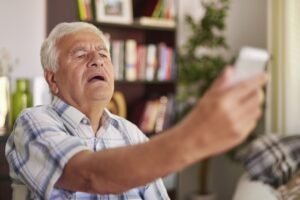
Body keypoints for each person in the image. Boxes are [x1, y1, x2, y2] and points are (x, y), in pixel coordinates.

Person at [5, 22, 267, 199]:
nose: (96, 60)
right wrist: (195, 135)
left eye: (103, 54)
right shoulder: (33, 122)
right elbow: (89, 175)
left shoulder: (130, 134)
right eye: (81, 54)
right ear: (52, 80)